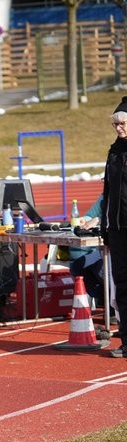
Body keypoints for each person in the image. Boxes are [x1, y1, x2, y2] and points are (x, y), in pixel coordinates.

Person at [102, 96, 127, 357]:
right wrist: (104, 227)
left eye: (121, 123)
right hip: (118, 228)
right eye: (115, 123)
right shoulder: (114, 152)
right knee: (122, 285)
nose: (118, 128)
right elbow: (107, 192)